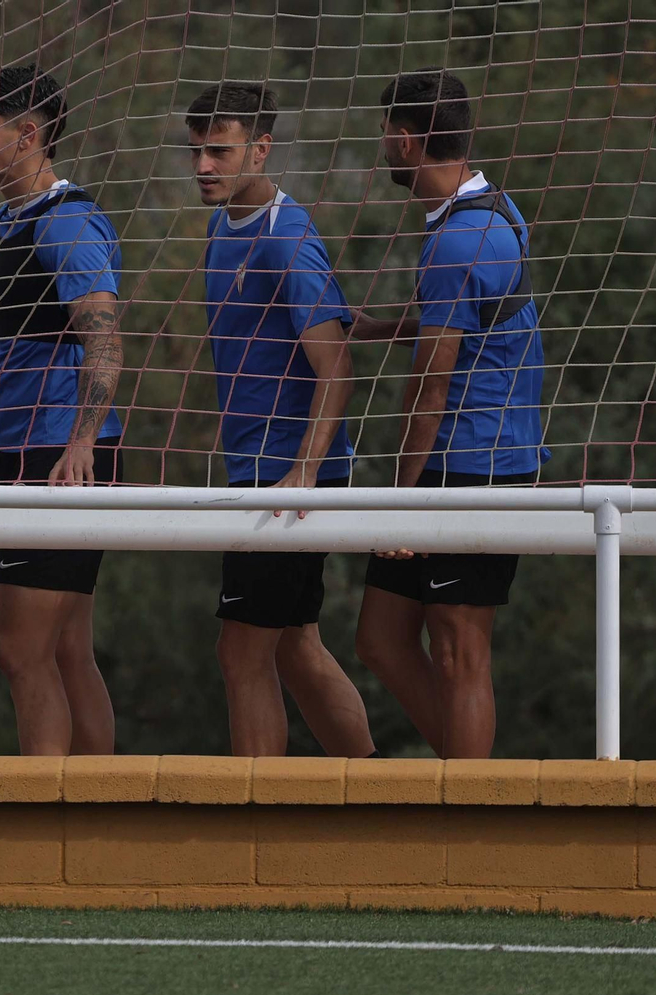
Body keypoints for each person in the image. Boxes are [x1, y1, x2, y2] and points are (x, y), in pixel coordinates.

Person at [349, 68, 549, 759]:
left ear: (406, 141)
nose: (383, 149)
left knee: (461, 648)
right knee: (379, 638)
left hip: (474, 464)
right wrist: (373, 328)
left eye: (385, 137)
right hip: (461, 460)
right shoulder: (495, 207)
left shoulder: (458, 242)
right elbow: (457, 319)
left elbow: (430, 388)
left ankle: (471, 812)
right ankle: (472, 780)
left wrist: (404, 502)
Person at [0, 64, 123, 756]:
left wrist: (83, 442)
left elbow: (104, 339)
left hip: (58, 457)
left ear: (29, 135)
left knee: (17, 650)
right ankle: (98, 818)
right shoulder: (8, 222)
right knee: (66, 651)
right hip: (21, 451)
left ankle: (46, 821)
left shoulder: (68, 222)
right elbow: (5, 360)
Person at [185, 81, 375, 758]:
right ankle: (372, 791)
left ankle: (256, 826)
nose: (204, 167)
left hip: (286, 478)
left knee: (240, 651)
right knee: (294, 644)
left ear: (261, 149)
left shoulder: (285, 235)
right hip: (255, 462)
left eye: (221, 152)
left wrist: (302, 470)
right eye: (197, 152)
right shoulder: (221, 226)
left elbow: (337, 367)